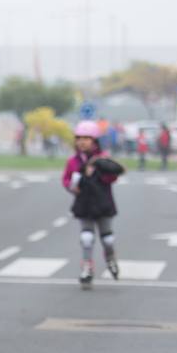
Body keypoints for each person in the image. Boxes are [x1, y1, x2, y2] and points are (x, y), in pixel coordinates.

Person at [64, 119, 125, 291]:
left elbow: (112, 177)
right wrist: (72, 186)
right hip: (84, 203)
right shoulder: (74, 161)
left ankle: (110, 257)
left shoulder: (102, 159)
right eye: (79, 138)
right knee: (87, 238)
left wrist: (99, 170)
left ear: (95, 141)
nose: (82, 141)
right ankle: (87, 268)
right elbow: (67, 179)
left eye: (87, 138)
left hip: (102, 203)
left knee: (107, 238)